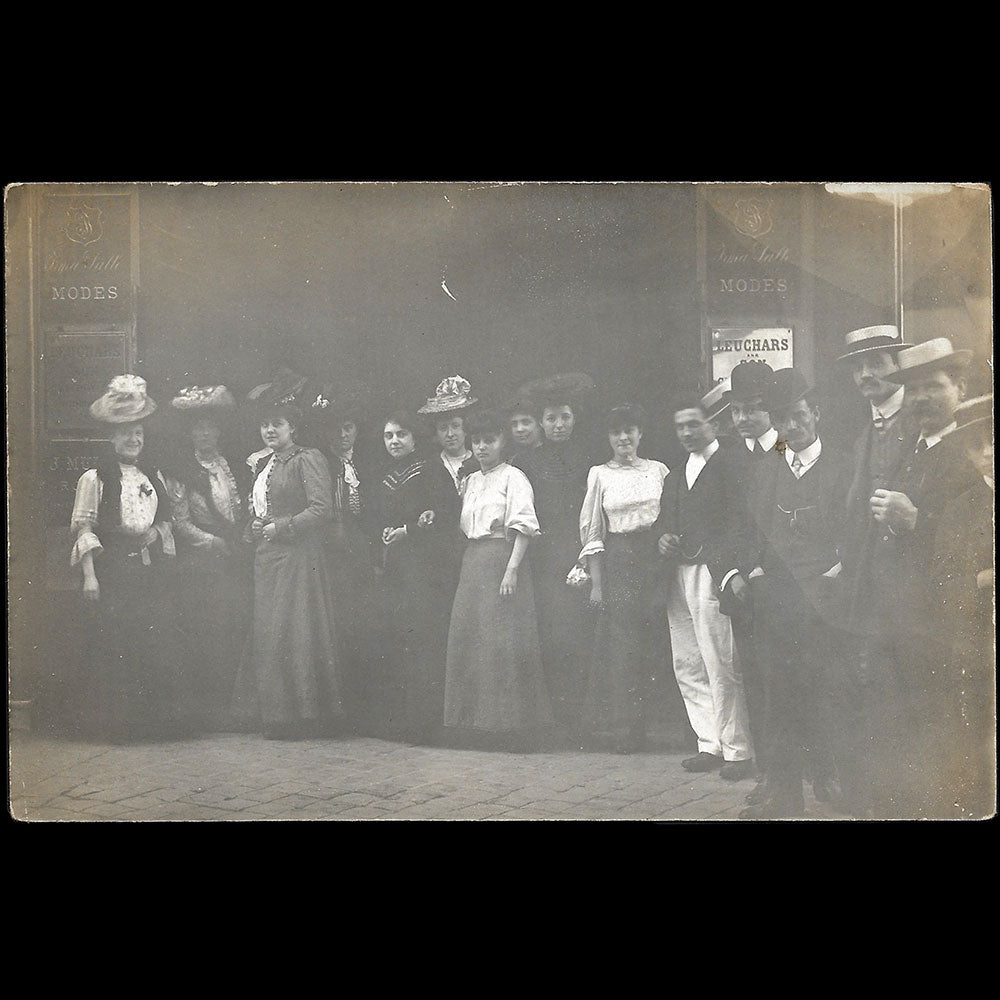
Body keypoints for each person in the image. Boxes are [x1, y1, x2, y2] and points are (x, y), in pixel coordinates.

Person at [849, 337, 981, 817]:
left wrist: (915, 521)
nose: (923, 398)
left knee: (941, 734)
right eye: (915, 389)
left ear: (959, 389)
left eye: (935, 386)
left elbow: (976, 545)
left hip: (941, 627)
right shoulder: (911, 450)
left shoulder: (972, 454)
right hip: (896, 622)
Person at [736, 368, 853, 818]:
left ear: (816, 414)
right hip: (778, 602)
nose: (792, 427)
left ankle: (829, 778)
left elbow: (855, 530)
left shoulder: (843, 464)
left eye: (800, 416)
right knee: (778, 695)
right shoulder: (766, 470)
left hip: (827, 600)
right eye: (784, 420)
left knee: (826, 690)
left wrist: (836, 571)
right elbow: (751, 530)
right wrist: (758, 571)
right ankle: (783, 794)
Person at [68, 375, 184, 742]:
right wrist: (90, 576)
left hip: (146, 569)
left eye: (139, 434)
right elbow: (84, 528)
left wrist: (156, 532)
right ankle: (114, 726)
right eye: (126, 434)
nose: (133, 440)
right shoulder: (95, 478)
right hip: (112, 567)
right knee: (115, 644)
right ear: (112, 437)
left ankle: (149, 726)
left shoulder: (152, 475)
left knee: (149, 642)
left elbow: (165, 518)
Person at [653, 385, 755, 778]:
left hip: (713, 572)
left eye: (693, 424)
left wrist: (727, 568)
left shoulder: (732, 465)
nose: (686, 433)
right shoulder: (676, 474)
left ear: (713, 423)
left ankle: (738, 749)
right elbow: (664, 520)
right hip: (678, 574)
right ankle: (708, 742)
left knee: (720, 659)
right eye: (680, 426)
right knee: (688, 660)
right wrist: (661, 537)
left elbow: (740, 523)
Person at [834, 324, 915, 814]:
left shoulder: (920, 420)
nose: (866, 374)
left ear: (899, 365)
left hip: (912, 581)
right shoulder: (864, 430)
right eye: (858, 367)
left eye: (878, 363)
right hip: (868, 582)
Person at [234, 386, 343, 739]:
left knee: (296, 630)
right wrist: (254, 525)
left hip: (298, 556)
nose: (270, 431)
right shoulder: (264, 463)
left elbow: (321, 509)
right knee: (270, 631)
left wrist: (281, 527)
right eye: (265, 425)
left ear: (292, 428)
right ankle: (275, 715)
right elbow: (262, 508)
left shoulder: (307, 458)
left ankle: (303, 715)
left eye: (277, 424)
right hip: (267, 558)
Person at [443, 410, 553, 749]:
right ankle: (474, 726)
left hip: (501, 562)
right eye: (476, 441)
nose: (481, 448)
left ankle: (508, 728)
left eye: (488, 441)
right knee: (471, 641)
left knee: (501, 644)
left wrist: (511, 569)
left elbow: (524, 526)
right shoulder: (472, 481)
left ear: (501, 442)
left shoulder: (514, 477)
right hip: (473, 563)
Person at [578, 404, 669, 752]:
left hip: (657, 559)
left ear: (640, 433)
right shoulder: (599, 474)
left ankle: (672, 727)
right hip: (619, 561)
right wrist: (598, 583)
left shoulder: (659, 470)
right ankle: (628, 730)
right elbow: (594, 530)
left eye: (630, 430)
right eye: (616, 432)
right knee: (623, 648)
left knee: (660, 640)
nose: (624, 438)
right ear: (609, 438)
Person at [163, 383, 251, 731]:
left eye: (209, 428)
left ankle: (232, 707)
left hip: (233, 559)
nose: (204, 434)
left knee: (233, 629)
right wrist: (213, 543)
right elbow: (180, 522)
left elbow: (241, 508)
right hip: (201, 563)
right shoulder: (183, 473)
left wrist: (238, 538)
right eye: (197, 429)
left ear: (218, 431)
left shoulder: (232, 467)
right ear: (190, 434)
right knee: (204, 632)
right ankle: (205, 711)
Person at [513, 372, 596, 731]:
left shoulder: (589, 458)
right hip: (542, 557)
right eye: (551, 419)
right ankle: (553, 718)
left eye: (564, 417)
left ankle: (579, 718)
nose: (558, 425)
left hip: (578, 553)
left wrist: (587, 553)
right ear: (541, 423)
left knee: (579, 634)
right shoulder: (527, 464)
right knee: (548, 632)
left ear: (574, 419)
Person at [373, 409, 462, 743]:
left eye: (401, 435)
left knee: (424, 637)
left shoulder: (430, 470)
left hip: (427, 568)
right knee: (399, 637)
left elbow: (445, 515)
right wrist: (383, 532)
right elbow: (378, 516)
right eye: (389, 436)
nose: (395, 441)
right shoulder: (384, 474)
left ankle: (426, 723)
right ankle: (403, 720)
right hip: (397, 567)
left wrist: (408, 531)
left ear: (414, 438)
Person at [933, 395, 995, 818]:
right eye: (977, 445)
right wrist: (981, 580)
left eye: (994, 438)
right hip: (981, 637)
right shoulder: (960, 511)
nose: (989, 451)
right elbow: (943, 583)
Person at [719, 361, 778, 804]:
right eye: (736, 411)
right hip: (742, 588)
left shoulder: (792, 448)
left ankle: (819, 768)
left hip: (788, 583)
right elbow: (719, 523)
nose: (742, 420)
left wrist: (767, 569)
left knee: (797, 678)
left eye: (753, 410)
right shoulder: (728, 455)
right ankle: (772, 774)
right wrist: (734, 572)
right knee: (757, 680)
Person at [306, 379, 379, 734]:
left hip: (360, 552)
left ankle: (363, 707)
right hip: (331, 554)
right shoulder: (322, 465)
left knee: (362, 623)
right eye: (336, 430)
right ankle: (336, 710)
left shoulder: (367, 465)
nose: (342, 436)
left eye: (348, 428)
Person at [418, 375, 480, 494]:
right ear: (436, 433)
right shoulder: (431, 466)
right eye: (443, 428)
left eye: (455, 426)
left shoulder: (479, 460)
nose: (450, 434)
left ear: (465, 429)